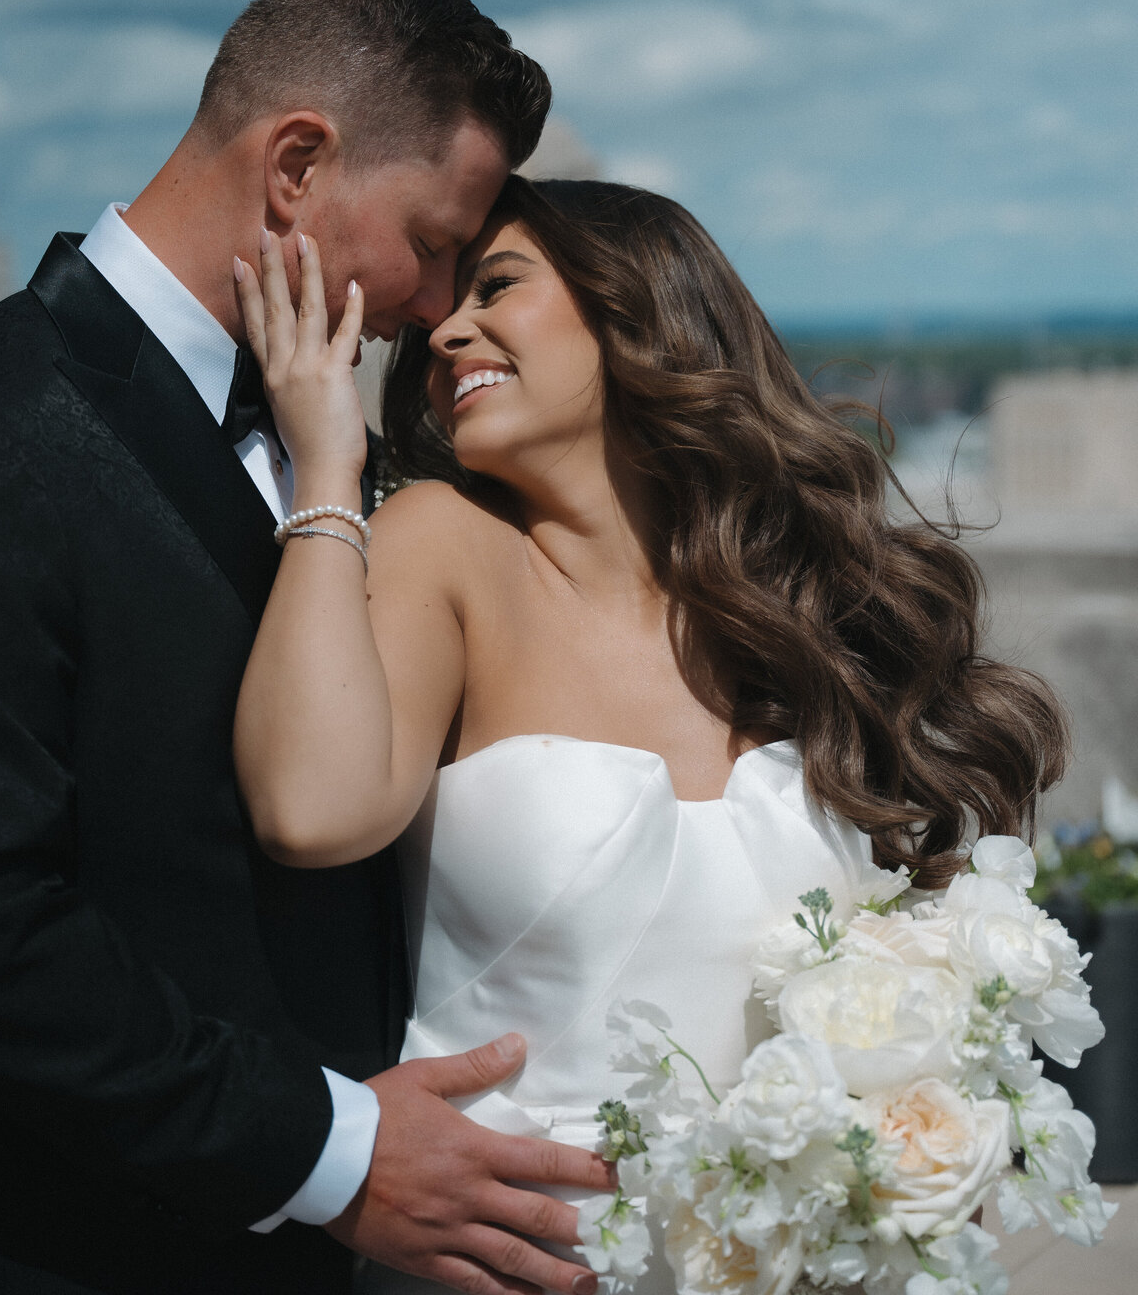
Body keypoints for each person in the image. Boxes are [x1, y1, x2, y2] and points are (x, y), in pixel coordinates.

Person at [233, 174, 1071, 1295]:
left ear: (636, 305)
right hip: (517, 1259)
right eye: (444, 310)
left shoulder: (790, 609)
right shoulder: (443, 544)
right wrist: (328, 465)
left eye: (497, 286)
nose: (446, 330)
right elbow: (309, 810)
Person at [0, 0, 617, 1295]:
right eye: (431, 243)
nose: (438, 308)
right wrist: (331, 1153)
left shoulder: (355, 440)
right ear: (296, 166)